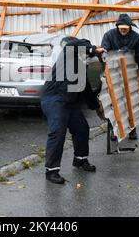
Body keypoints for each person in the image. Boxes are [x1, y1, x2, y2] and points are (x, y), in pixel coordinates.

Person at [41, 37, 105, 184]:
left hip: (69, 103)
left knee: (82, 128)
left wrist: (97, 108)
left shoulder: (81, 68)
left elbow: (87, 91)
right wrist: (93, 48)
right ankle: (51, 171)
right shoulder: (67, 56)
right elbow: (73, 45)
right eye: (84, 51)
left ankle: (80, 160)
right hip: (54, 99)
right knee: (58, 131)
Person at [101, 13, 139, 140]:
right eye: (121, 28)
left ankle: (132, 129)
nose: (123, 30)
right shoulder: (109, 35)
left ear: (130, 27)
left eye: (125, 29)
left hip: (130, 73)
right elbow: (104, 51)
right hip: (113, 73)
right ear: (117, 26)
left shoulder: (136, 38)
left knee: (131, 102)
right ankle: (114, 131)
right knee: (114, 104)